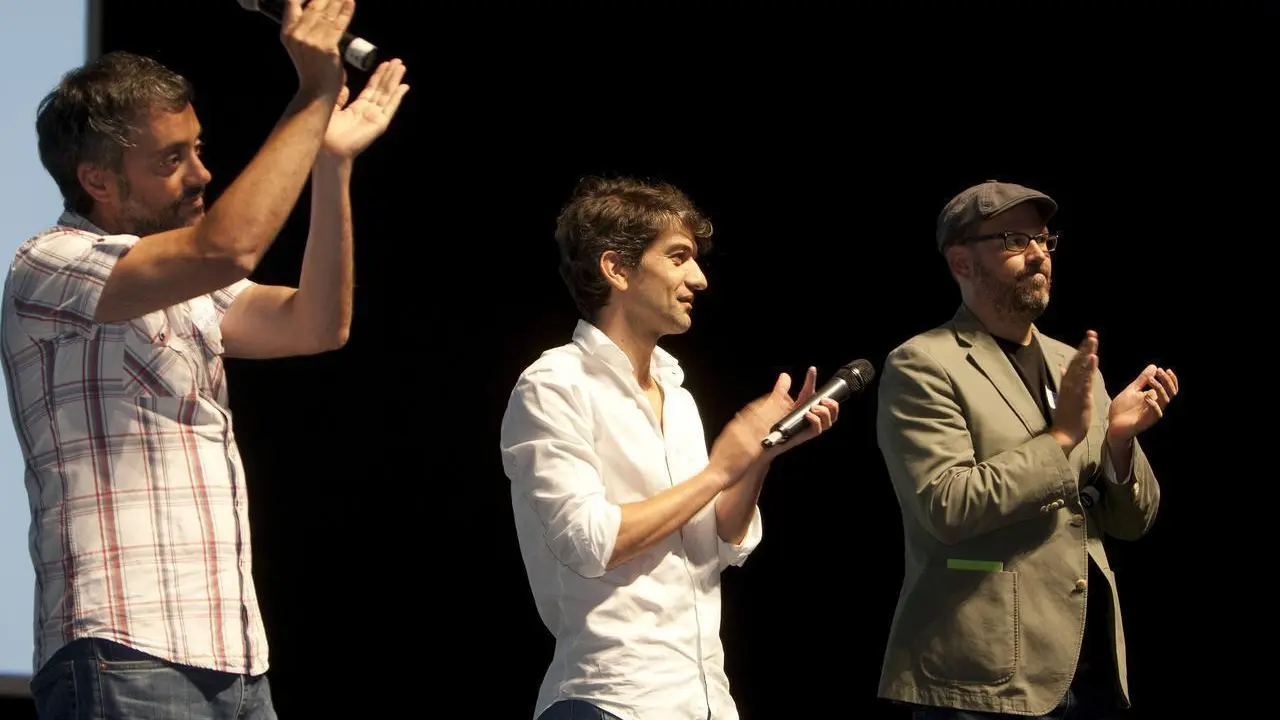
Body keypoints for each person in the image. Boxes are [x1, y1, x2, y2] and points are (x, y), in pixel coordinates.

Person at [1, 1, 409, 717]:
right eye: (171, 160)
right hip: (125, 649)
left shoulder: (190, 286)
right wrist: (312, 95)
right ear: (97, 181)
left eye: (196, 148)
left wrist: (331, 164)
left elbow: (316, 324)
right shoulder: (51, 264)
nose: (201, 173)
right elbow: (229, 247)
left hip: (232, 655)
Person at [499, 175, 841, 720]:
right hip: (610, 699)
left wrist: (758, 457)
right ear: (617, 269)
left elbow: (719, 543)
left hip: (703, 700)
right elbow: (591, 542)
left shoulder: (676, 395)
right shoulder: (554, 384)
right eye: (678, 257)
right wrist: (719, 471)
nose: (699, 279)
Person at [874, 179, 1180, 719]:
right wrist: (1060, 441)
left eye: (1044, 239)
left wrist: (1118, 442)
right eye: (1014, 240)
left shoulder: (1074, 365)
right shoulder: (923, 364)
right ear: (962, 263)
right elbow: (947, 506)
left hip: (1089, 667)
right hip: (982, 676)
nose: (1038, 254)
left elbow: (1133, 523)